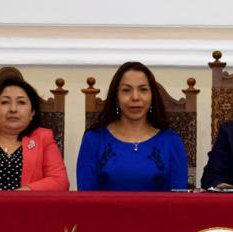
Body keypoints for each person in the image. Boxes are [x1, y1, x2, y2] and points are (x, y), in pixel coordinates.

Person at [77, 62, 188, 191]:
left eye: (143, 90)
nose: (135, 97)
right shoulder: (94, 140)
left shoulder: (171, 141)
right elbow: (86, 200)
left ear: (152, 97)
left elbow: (178, 201)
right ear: (116, 98)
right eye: (126, 90)